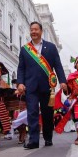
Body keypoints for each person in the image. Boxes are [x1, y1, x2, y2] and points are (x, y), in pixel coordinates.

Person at [17, 21, 67, 149]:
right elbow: (21, 68)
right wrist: (20, 83)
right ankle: (33, 140)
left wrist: (62, 81)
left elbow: (58, 65)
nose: (33, 32)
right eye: (31, 29)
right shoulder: (25, 49)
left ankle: (48, 137)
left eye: (36, 29)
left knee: (47, 113)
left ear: (41, 31)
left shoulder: (50, 47)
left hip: (47, 87)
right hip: (30, 87)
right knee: (32, 113)